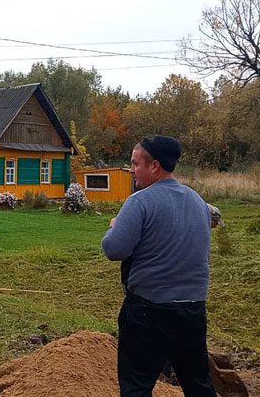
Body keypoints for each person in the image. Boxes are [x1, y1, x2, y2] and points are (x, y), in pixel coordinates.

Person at [101, 135, 216, 396]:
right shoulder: (198, 201)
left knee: (137, 387)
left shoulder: (139, 201)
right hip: (192, 311)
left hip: (147, 313)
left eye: (135, 164)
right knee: (198, 384)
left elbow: (114, 249)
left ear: (154, 166)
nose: (131, 170)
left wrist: (115, 226)